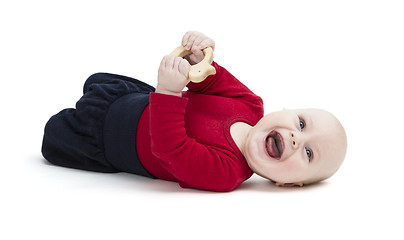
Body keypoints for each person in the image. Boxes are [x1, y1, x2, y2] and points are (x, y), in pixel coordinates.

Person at [42, 31, 347, 191]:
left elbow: (170, 148)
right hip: (135, 98)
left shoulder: (227, 173)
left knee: (53, 137)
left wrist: (171, 92)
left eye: (308, 154)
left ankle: (77, 125)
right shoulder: (251, 104)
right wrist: (198, 56)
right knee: (97, 82)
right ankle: (101, 98)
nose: (296, 139)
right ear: (287, 109)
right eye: (302, 124)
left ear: (289, 185)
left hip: (110, 141)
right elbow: (209, 77)